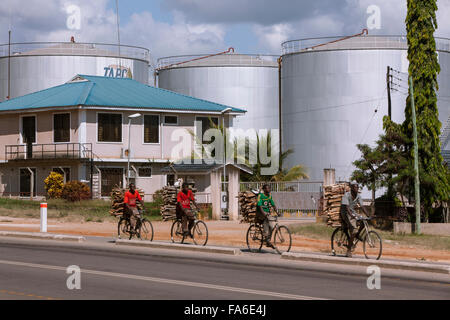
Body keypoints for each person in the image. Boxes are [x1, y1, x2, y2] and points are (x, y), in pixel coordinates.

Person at [340, 181, 370, 257]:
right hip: (345, 213)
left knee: (364, 221)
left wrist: (368, 215)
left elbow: (362, 206)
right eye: (355, 187)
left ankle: (357, 235)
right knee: (354, 230)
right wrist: (352, 216)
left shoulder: (358, 196)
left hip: (352, 212)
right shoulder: (346, 195)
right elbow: (346, 207)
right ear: (351, 188)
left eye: (357, 187)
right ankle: (348, 251)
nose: (356, 188)